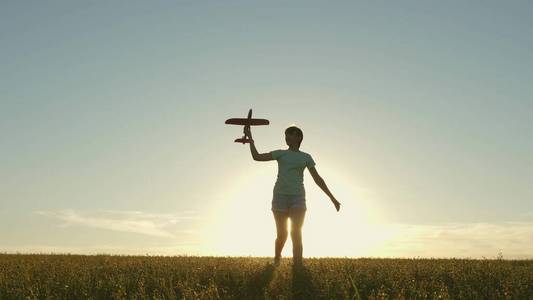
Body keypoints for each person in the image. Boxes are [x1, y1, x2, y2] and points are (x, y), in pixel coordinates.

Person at [243, 124, 341, 267]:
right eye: (286, 135)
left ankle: (298, 266)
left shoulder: (306, 157)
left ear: (299, 137)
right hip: (280, 197)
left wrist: (332, 198)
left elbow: (317, 179)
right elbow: (256, 157)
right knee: (282, 234)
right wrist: (250, 138)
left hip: (298, 198)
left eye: (291, 134)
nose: (287, 137)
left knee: (296, 233)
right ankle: (277, 258)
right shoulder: (280, 153)